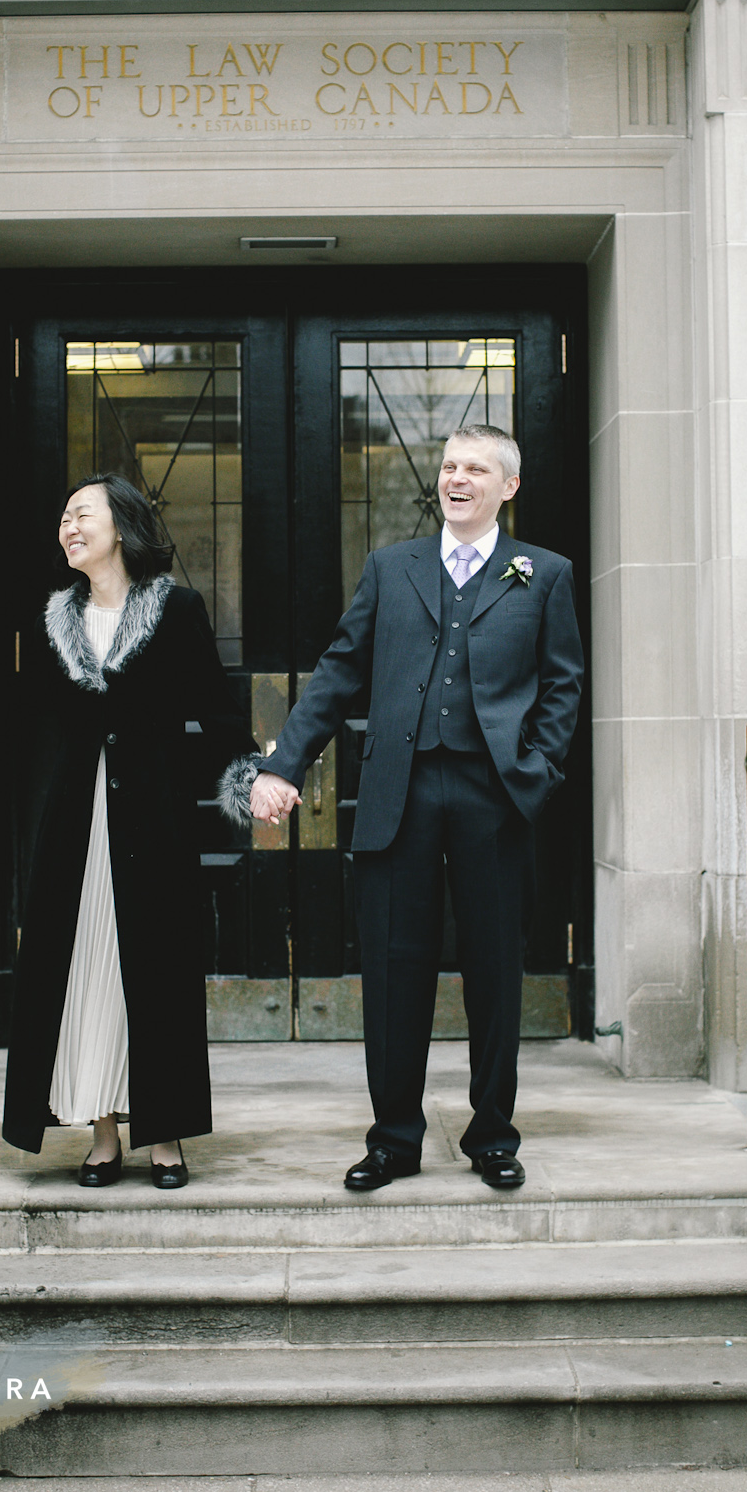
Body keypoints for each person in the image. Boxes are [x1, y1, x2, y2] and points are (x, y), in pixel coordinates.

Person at [247, 424, 583, 1192]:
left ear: (509, 486)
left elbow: (562, 685)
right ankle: (394, 1140)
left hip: (493, 796)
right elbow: (339, 670)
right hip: (397, 792)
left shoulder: (546, 575)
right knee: (396, 972)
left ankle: (493, 1134)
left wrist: (534, 773)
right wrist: (286, 763)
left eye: (476, 468)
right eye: (450, 465)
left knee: (495, 972)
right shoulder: (390, 568)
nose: (457, 478)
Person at [2, 473, 257, 1188]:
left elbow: (217, 708)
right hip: (75, 830)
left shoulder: (176, 609)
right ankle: (104, 1132)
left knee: (156, 973)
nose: (68, 527)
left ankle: (165, 1135)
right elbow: (40, 734)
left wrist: (249, 776)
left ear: (122, 525)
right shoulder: (55, 620)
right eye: (63, 518)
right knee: (87, 969)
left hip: (154, 821)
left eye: (81, 513)